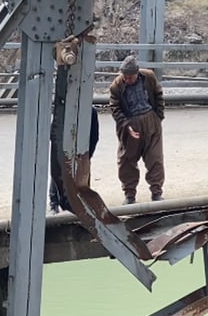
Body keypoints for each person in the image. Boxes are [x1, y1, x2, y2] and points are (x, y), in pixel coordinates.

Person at [108, 55, 165, 205]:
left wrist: (158, 117)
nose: (127, 79)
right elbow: (115, 107)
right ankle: (129, 194)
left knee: (155, 158)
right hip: (130, 123)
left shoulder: (149, 77)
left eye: (130, 77)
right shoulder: (116, 86)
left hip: (150, 120)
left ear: (137, 73)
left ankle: (156, 192)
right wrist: (126, 125)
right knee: (127, 160)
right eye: (125, 77)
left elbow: (158, 95)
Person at [49, 106, 100, 213]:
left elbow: (94, 136)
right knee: (59, 174)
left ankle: (80, 204)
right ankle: (54, 203)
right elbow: (53, 131)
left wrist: (88, 154)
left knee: (81, 177)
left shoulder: (91, 112)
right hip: (65, 147)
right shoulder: (64, 109)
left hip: (81, 150)